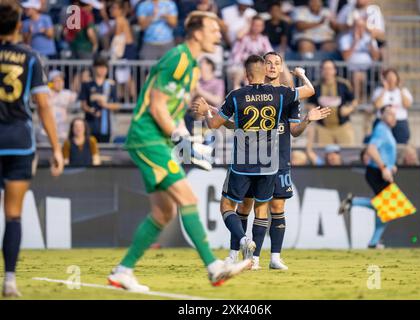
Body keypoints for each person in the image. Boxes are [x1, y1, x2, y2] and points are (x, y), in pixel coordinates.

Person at [107, 11, 251, 292]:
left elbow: (172, 108)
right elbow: (157, 106)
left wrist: (186, 136)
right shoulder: (178, 58)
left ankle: (123, 271)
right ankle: (213, 267)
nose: (219, 35)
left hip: (157, 139)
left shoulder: (193, 67)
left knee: (163, 213)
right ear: (196, 32)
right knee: (188, 197)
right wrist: (181, 140)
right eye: (213, 29)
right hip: (147, 138)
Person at [192, 55, 323, 270]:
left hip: (244, 161)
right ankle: (252, 259)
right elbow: (309, 91)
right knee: (262, 209)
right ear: (264, 71)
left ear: (246, 75)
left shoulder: (237, 95)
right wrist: (302, 76)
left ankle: (244, 243)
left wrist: (207, 111)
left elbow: (214, 124)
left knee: (228, 206)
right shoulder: (281, 95)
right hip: (270, 161)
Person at [0, 0, 64, 297]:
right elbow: (44, 107)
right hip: (18, 142)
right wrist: (56, 149)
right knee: (13, 215)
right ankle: (9, 280)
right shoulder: (31, 58)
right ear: (19, 26)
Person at [339, 105, 397, 248]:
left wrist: (390, 166)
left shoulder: (386, 130)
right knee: (387, 207)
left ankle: (353, 203)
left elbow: (383, 152)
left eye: (394, 114)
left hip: (379, 171)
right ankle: (373, 241)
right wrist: (384, 168)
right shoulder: (381, 129)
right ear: (381, 115)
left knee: (384, 207)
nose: (393, 117)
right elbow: (371, 149)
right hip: (376, 171)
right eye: (389, 114)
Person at [308, 59, 357, 145]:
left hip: (342, 126)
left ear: (335, 70)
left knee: (347, 153)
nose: (327, 71)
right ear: (321, 71)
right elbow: (310, 103)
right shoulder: (316, 86)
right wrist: (314, 111)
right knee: (323, 154)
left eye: (330, 69)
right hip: (323, 128)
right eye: (325, 69)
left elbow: (354, 101)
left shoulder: (343, 85)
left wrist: (349, 109)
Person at [339, 17, 380, 103]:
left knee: (362, 75)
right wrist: (355, 42)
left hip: (368, 69)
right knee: (358, 75)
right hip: (350, 69)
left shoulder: (370, 38)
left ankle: (361, 101)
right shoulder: (345, 38)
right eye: (357, 26)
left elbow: (376, 57)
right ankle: (358, 101)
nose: (360, 29)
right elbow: (345, 57)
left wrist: (371, 44)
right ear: (353, 27)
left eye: (362, 27)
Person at [80, 56, 120, 143]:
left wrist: (105, 105)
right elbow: (83, 105)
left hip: (105, 126)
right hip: (90, 124)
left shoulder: (111, 85)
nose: (102, 70)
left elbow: (117, 105)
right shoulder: (87, 84)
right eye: (100, 67)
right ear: (94, 68)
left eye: (104, 67)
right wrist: (91, 110)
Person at [229, 16, 274, 89]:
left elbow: (270, 54)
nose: (257, 28)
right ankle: (237, 96)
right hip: (240, 66)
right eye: (255, 25)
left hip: (257, 67)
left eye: (259, 26)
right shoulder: (243, 38)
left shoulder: (263, 39)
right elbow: (236, 57)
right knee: (243, 71)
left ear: (263, 27)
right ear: (251, 25)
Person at [372, 68, 413, 144]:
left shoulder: (404, 91)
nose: (391, 80)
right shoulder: (378, 91)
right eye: (388, 77)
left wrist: (400, 89)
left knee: (401, 144)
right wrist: (384, 90)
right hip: (382, 122)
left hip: (399, 122)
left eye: (393, 77)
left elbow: (407, 104)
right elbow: (377, 105)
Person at [40, 70, 77, 142]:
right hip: (46, 131)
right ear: (51, 83)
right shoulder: (45, 93)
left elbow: (78, 98)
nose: (60, 83)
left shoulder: (66, 93)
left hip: (62, 132)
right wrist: (49, 87)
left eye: (61, 80)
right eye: (57, 81)